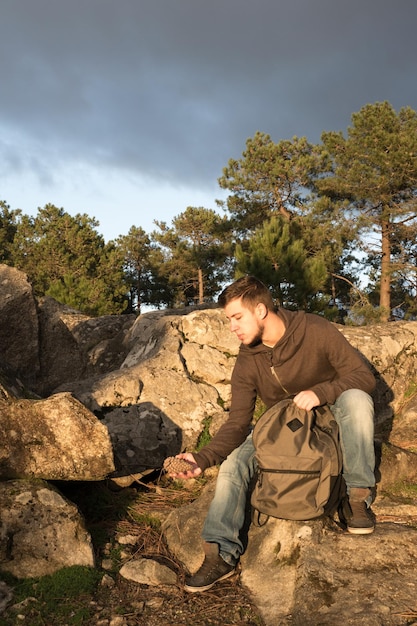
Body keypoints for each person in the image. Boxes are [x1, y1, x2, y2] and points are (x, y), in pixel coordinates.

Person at [169, 276, 376, 593]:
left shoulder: (315, 330)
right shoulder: (248, 359)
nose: (232, 327)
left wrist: (322, 392)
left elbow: (363, 376)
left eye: (237, 317)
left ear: (262, 310)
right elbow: (239, 422)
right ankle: (220, 553)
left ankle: (357, 499)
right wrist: (202, 458)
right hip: (282, 429)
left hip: (331, 417)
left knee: (358, 400)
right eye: (229, 320)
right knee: (234, 464)